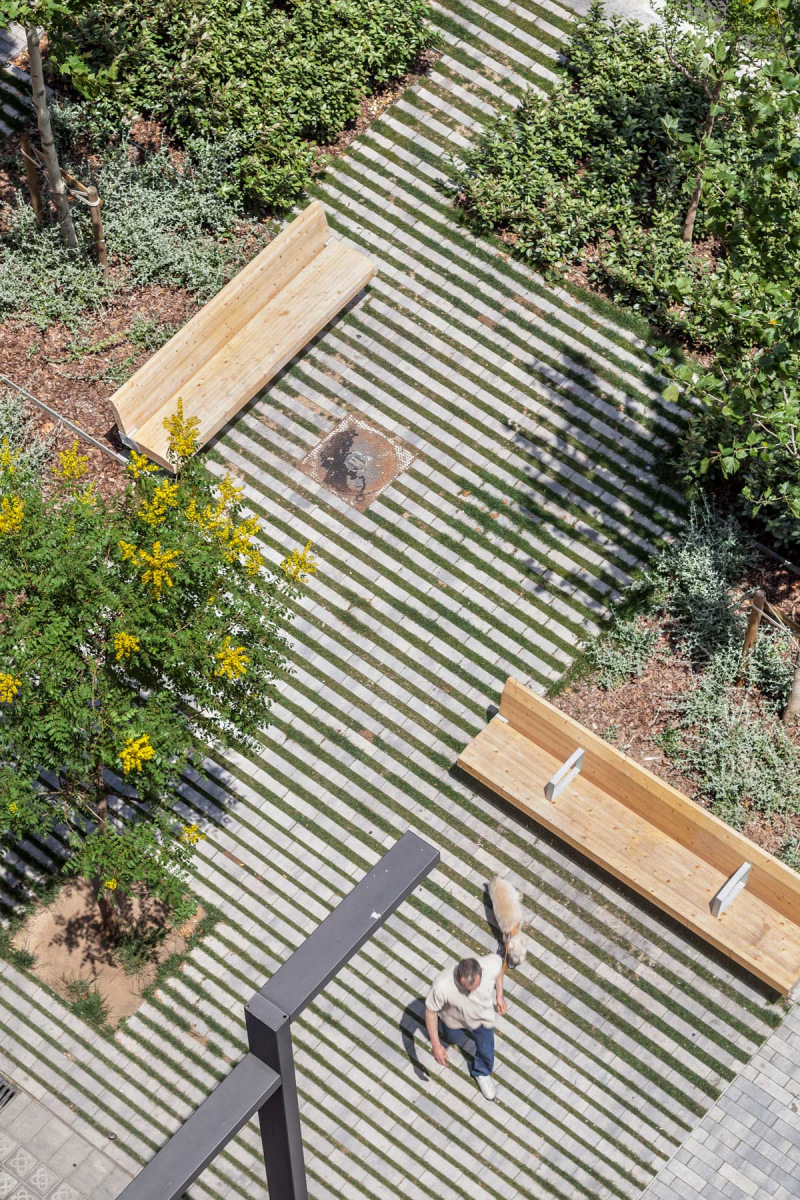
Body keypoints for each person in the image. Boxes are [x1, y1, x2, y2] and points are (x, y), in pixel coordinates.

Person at [424, 953, 506, 1101]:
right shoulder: (441, 985)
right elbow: (430, 1011)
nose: (470, 992)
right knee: (452, 1038)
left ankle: (482, 1072)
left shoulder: (490, 964)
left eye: (475, 988)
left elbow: (499, 968)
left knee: (487, 1050)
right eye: (466, 988)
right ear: (457, 975)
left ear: (481, 970)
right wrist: (436, 1045)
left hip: (482, 1019)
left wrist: (499, 995)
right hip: (454, 1020)